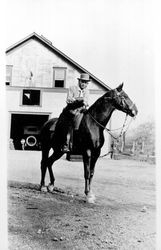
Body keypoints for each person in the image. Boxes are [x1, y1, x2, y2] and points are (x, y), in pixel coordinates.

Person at [60, 73, 90, 153]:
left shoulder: (87, 91)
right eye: (83, 82)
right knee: (68, 126)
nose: (84, 84)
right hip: (71, 110)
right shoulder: (72, 88)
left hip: (80, 111)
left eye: (86, 82)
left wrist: (83, 102)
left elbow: (86, 102)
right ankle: (65, 144)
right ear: (79, 81)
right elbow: (69, 100)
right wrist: (79, 100)